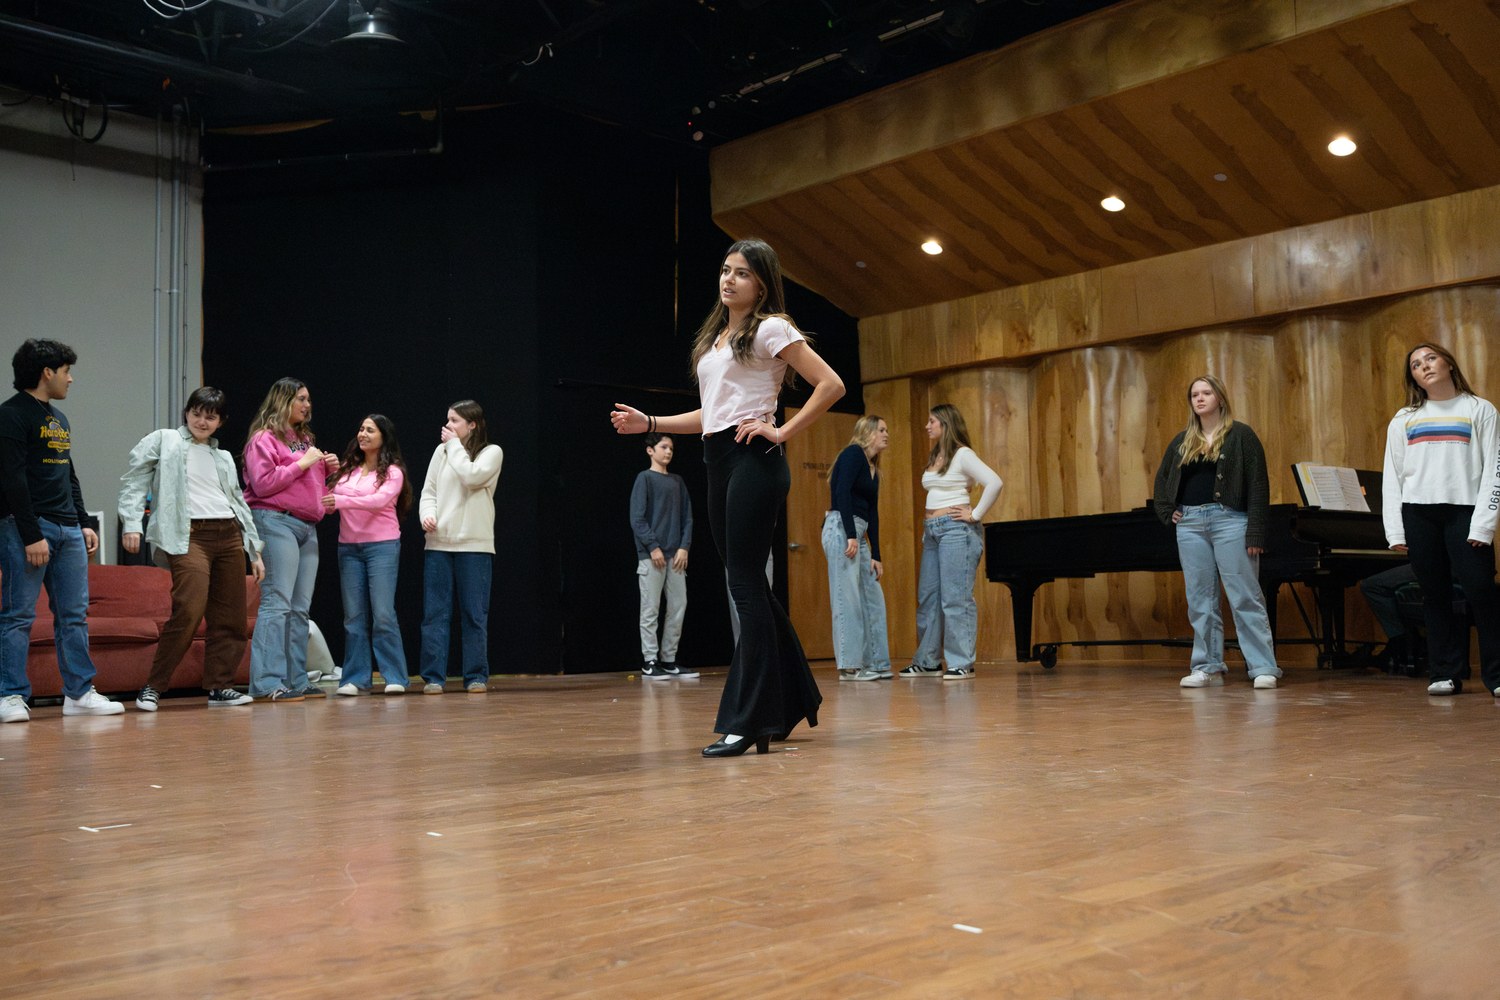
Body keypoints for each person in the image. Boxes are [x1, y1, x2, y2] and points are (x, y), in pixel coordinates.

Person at [611, 237, 845, 757]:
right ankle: (790, 699)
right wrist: (649, 422)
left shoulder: (771, 328)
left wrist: (782, 432)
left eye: (741, 273)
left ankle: (750, 718)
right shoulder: (717, 340)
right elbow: (708, 415)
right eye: (724, 270)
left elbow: (830, 385)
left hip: (755, 462)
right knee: (749, 588)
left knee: (744, 584)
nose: (728, 279)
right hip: (718, 461)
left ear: (761, 284)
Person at [0, 339, 124, 721]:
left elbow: (67, 473)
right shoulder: (11, 415)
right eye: (67, 371)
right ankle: (9, 696)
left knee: (73, 615)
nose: (72, 379)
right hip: (29, 527)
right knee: (18, 615)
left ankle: (79, 692)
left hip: (67, 528)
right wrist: (30, 532)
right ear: (47, 372)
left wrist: (83, 521)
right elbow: (11, 479)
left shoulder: (59, 419)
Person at [119, 386, 264, 711]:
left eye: (210, 416)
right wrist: (131, 523)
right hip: (188, 535)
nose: (202, 420)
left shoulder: (222, 456)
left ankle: (220, 686)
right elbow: (135, 480)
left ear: (220, 421)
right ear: (187, 413)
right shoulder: (165, 440)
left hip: (227, 535)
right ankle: (153, 686)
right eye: (196, 413)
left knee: (231, 617)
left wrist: (253, 549)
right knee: (189, 607)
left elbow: (238, 503)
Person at [1381, 343, 1500, 696]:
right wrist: (1395, 529)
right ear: (1413, 377)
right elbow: (1394, 477)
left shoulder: (1480, 409)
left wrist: (1483, 524)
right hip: (1419, 514)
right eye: (1416, 364)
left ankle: (1496, 676)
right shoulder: (1404, 418)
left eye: (1431, 358)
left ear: (1448, 362)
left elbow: (1495, 470)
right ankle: (1444, 673)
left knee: (1482, 593)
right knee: (1434, 596)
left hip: (1465, 513)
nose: (1425, 366)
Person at [1152, 376, 1281, 689]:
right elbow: (1162, 481)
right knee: (1200, 599)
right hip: (1191, 524)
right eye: (1194, 394)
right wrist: (1168, 513)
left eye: (1206, 393)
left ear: (1220, 398)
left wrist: (1256, 533)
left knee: (1245, 595)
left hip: (1232, 522)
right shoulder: (1182, 440)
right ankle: (1207, 667)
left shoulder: (1241, 435)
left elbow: (1259, 486)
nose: (1199, 398)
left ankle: (1263, 667)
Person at [243, 378, 338, 702]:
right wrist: (304, 463)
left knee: (299, 608)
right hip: (275, 522)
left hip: (307, 527)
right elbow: (263, 483)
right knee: (277, 603)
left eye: (308, 399)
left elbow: (308, 487)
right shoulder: (263, 439)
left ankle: (297, 679)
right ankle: (267, 683)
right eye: (301, 398)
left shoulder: (304, 439)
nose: (307, 404)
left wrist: (326, 473)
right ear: (283, 401)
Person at [900, 404, 1002, 681]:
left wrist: (975, 514)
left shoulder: (963, 454)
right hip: (932, 530)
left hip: (956, 530)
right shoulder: (937, 454)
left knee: (955, 598)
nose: (927, 426)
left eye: (932, 421)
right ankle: (928, 661)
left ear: (945, 424)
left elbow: (994, 482)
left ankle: (962, 663)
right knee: (929, 598)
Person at [323, 414, 411, 696]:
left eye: (370, 430)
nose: (362, 434)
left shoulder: (393, 472)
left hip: (381, 547)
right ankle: (355, 678)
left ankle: (395, 676)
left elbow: (377, 501)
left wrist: (340, 501)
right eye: (360, 428)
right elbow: (328, 497)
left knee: (383, 614)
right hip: (348, 548)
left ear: (384, 436)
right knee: (353, 617)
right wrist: (326, 473)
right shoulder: (348, 467)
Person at [419, 401, 503, 695]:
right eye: (447, 420)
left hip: (474, 545)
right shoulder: (440, 452)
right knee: (434, 614)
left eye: (454, 421)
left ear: (472, 425)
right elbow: (428, 491)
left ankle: (476, 676)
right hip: (438, 545)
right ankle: (433, 677)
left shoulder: (491, 453)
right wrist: (426, 514)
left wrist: (453, 446)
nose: (447, 426)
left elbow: (471, 476)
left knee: (474, 614)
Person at [823, 414, 892, 682]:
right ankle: (849, 667)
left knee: (872, 596)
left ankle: (876, 662)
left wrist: (876, 554)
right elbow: (841, 490)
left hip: (858, 532)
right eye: (882, 430)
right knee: (846, 597)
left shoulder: (875, 469)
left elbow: (872, 512)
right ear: (869, 432)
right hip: (842, 526)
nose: (886, 434)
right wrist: (851, 535)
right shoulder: (853, 453)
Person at [629, 432, 698, 679]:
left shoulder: (677, 481)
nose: (668, 452)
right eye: (663, 447)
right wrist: (653, 546)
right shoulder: (644, 479)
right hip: (652, 556)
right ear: (650, 451)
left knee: (678, 605)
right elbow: (637, 518)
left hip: (675, 555)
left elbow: (687, 517)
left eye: (670, 448)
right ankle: (650, 660)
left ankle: (669, 660)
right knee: (650, 608)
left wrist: (684, 547)